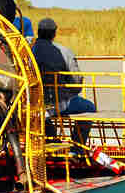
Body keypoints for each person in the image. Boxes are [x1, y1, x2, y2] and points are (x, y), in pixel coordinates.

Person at [31, 17, 96, 153]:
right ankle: (77, 148)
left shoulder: (28, 51)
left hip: (32, 103)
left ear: (38, 32)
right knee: (89, 107)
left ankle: (50, 139)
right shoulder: (64, 52)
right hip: (58, 102)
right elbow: (77, 81)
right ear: (54, 33)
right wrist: (69, 94)